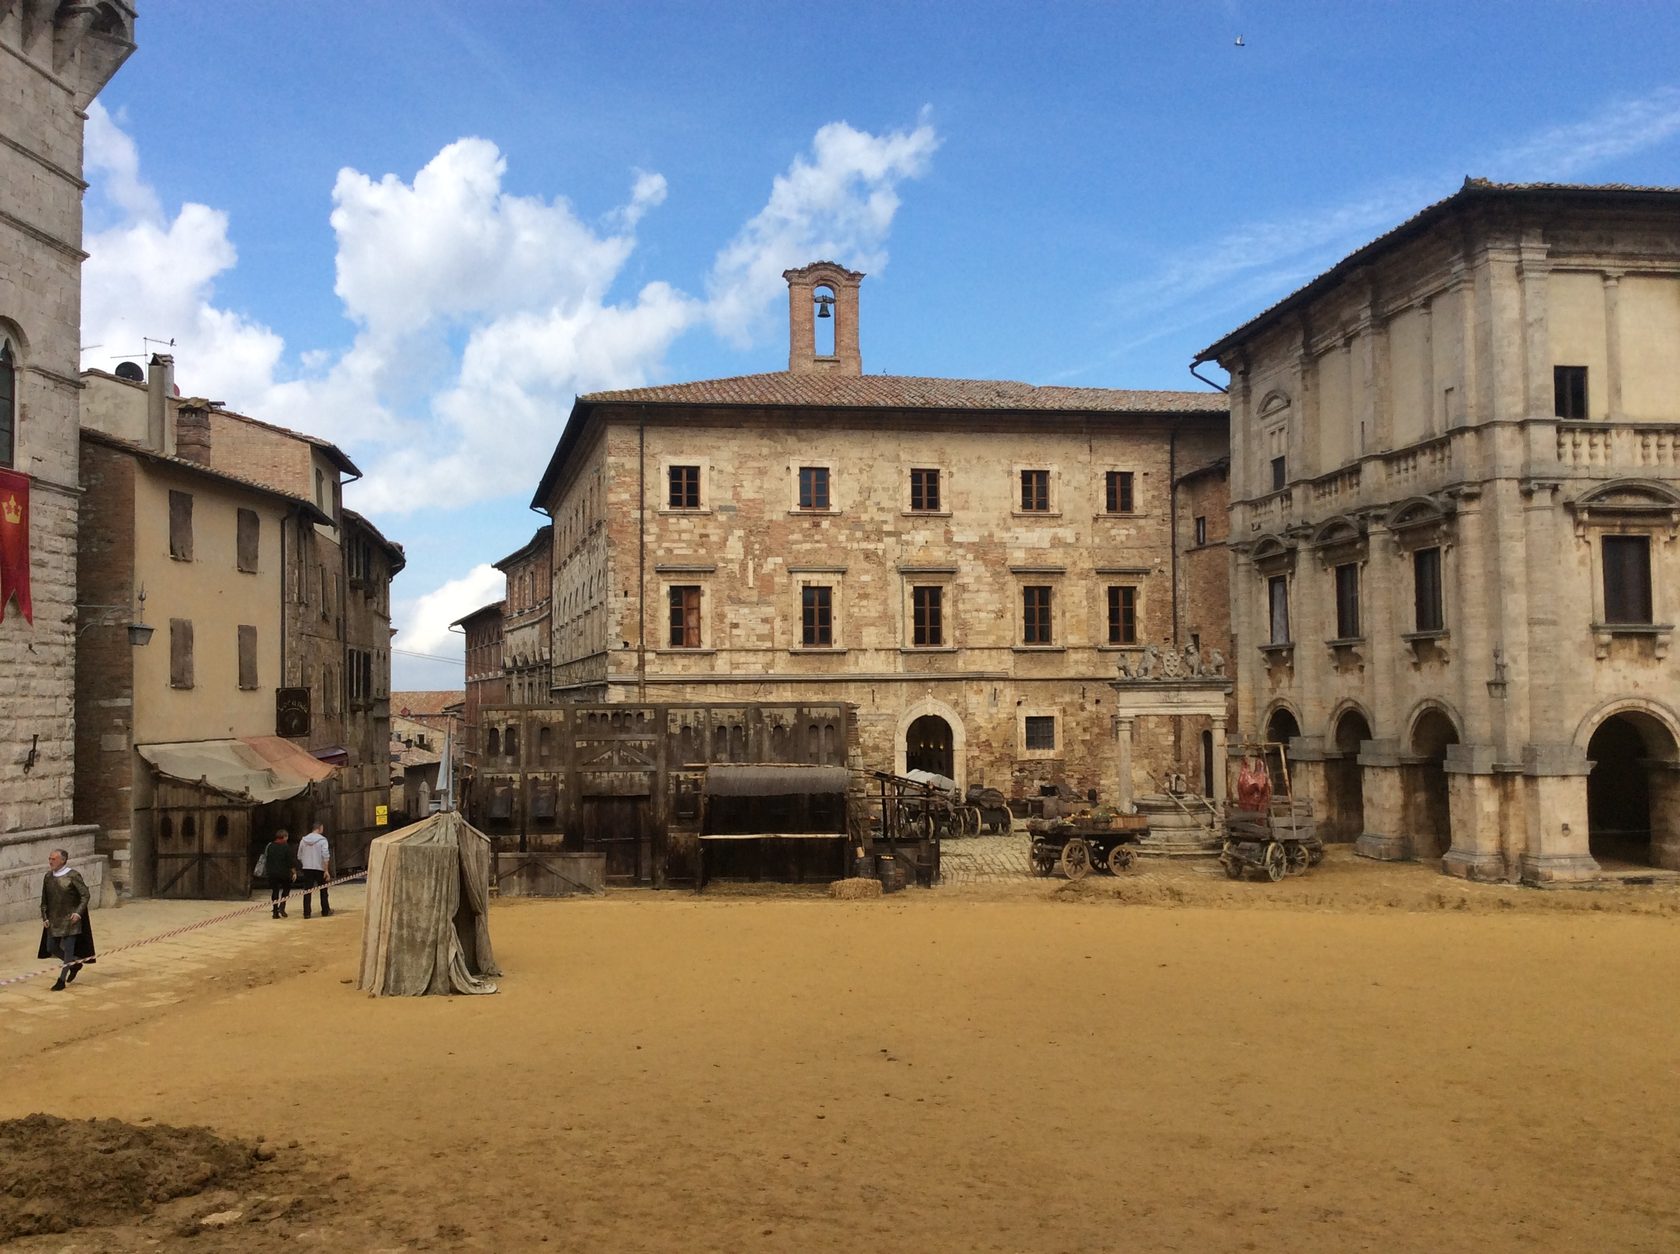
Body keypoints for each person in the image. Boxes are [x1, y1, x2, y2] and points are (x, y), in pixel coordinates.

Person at [39, 849, 96, 991]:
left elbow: (85, 895)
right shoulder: (48, 877)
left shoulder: (73, 875)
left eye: (53, 859)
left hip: (71, 919)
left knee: (69, 950)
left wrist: (78, 913)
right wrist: (45, 917)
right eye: (50, 858)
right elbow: (44, 900)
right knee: (51, 947)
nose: (50, 861)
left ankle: (61, 980)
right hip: (54, 920)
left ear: (63, 860)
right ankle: (75, 963)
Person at [297, 820, 333, 919]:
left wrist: (305, 863)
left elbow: (299, 855)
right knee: (323, 890)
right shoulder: (322, 840)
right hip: (319, 868)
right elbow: (325, 855)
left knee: (307, 891)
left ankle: (307, 913)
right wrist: (326, 870)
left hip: (307, 868)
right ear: (319, 828)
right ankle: (325, 911)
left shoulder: (303, 840)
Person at [262, 829, 297, 919]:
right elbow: (290, 861)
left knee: (275, 891)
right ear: (284, 837)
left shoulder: (270, 846)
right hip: (284, 873)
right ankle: (282, 906)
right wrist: (294, 872)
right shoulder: (286, 847)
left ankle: (275, 912)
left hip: (272, 872)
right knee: (286, 889)